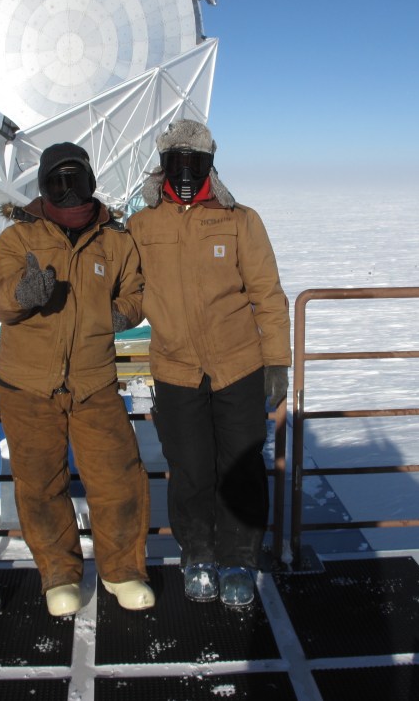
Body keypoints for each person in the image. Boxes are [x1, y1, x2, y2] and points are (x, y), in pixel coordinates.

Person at [0, 142, 154, 617]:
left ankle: (123, 571)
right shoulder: (18, 239)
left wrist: (115, 315)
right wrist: (23, 293)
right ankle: (59, 576)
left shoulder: (115, 241)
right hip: (26, 386)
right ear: (42, 186)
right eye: (56, 180)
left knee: (119, 479)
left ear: (90, 181)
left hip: (94, 382)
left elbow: (135, 292)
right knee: (41, 485)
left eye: (74, 179)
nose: (67, 189)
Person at [127, 119, 291, 608]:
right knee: (191, 468)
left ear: (208, 164)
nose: (183, 172)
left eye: (192, 162)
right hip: (176, 368)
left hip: (238, 363)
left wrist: (276, 361)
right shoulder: (142, 225)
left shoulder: (240, 219)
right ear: (162, 165)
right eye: (174, 161)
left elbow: (267, 293)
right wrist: (114, 311)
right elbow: (132, 294)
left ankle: (239, 557)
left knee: (239, 468)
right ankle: (197, 553)